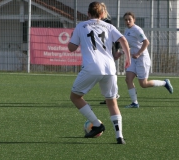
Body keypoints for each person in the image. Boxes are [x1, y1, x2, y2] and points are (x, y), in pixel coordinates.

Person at [68, 1, 131, 144]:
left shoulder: (81, 25)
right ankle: (119, 136)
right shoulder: (109, 26)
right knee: (112, 102)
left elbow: (71, 48)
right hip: (110, 68)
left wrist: (73, 36)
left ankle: (96, 124)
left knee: (75, 97)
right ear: (102, 14)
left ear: (88, 14)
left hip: (92, 67)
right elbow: (123, 40)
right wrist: (128, 59)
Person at [123, 12, 173, 108]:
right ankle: (135, 103)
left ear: (134, 19)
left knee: (144, 84)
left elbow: (146, 42)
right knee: (128, 79)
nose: (128, 21)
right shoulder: (127, 30)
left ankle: (164, 83)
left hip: (142, 58)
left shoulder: (137, 30)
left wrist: (138, 53)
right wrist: (122, 52)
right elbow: (131, 45)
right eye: (126, 20)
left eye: (130, 19)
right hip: (133, 58)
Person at [99, 2, 121, 105]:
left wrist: (116, 50)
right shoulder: (93, 22)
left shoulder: (108, 22)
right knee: (103, 73)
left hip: (108, 50)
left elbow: (117, 38)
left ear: (103, 12)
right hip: (99, 51)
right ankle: (109, 95)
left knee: (110, 72)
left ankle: (114, 94)